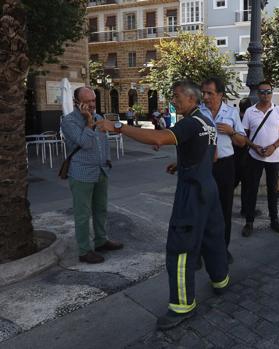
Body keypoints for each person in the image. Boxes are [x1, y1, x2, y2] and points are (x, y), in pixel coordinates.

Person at [96, 80, 229, 330]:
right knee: (213, 238)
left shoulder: (189, 122)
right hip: (208, 186)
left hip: (191, 191)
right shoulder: (207, 120)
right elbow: (212, 155)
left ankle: (182, 306)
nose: (174, 101)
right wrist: (182, 163)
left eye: (177, 97)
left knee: (180, 248)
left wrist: (117, 127)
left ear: (191, 98)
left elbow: (158, 137)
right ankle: (221, 280)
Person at [61, 87, 123, 264]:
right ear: (76, 102)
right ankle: (84, 250)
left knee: (101, 209)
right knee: (82, 214)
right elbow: (85, 143)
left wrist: (108, 160)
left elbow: (104, 142)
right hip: (81, 173)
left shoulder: (99, 118)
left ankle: (101, 240)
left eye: (93, 100)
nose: (92, 105)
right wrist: (88, 123)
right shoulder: (69, 121)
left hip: (101, 171)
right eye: (87, 101)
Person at [199, 77, 247, 264]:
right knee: (202, 208)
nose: (205, 97)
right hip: (203, 166)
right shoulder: (198, 112)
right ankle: (201, 250)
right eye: (203, 93)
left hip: (225, 166)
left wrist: (231, 131)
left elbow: (242, 142)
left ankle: (222, 249)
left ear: (220, 94)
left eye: (210, 93)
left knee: (224, 209)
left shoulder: (231, 113)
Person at [240, 81, 279, 237]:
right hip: (254, 156)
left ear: (272, 93)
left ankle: (274, 220)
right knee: (251, 190)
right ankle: (249, 222)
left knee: (272, 190)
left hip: (273, 157)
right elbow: (243, 136)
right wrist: (254, 147)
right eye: (262, 92)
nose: (265, 95)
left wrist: (273, 147)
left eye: (268, 92)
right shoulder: (249, 112)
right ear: (257, 94)